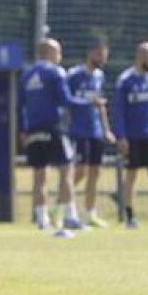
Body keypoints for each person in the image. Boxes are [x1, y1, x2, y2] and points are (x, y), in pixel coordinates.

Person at [20, 38, 101, 237]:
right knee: (67, 171)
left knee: (39, 176)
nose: (61, 56)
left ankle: (42, 220)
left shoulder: (27, 74)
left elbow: (20, 105)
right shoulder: (56, 72)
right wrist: (90, 102)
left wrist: (23, 130)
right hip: (54, 128)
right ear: (50, 52)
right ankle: (70, 217)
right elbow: (66, 100)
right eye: (59, 52)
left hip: (32, 129)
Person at [113, 42, 148, 231]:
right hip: (132, 136)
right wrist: (121, 136)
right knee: (131, 176)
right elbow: (119, 110)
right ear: (142, 57)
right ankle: (130, 217)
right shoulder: (126, 80)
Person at [66, 40, 115, 228]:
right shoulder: (74, 75)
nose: (103, 59)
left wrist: (106, 129)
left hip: (95, 131)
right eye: (100, 55)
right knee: (81, 170)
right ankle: (63, 202)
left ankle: (89, 213)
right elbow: (66, 101)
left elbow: (100, 104)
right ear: (91, 53)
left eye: (105, 56)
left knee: (95, 172)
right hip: (78, 129)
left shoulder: (99, 76)